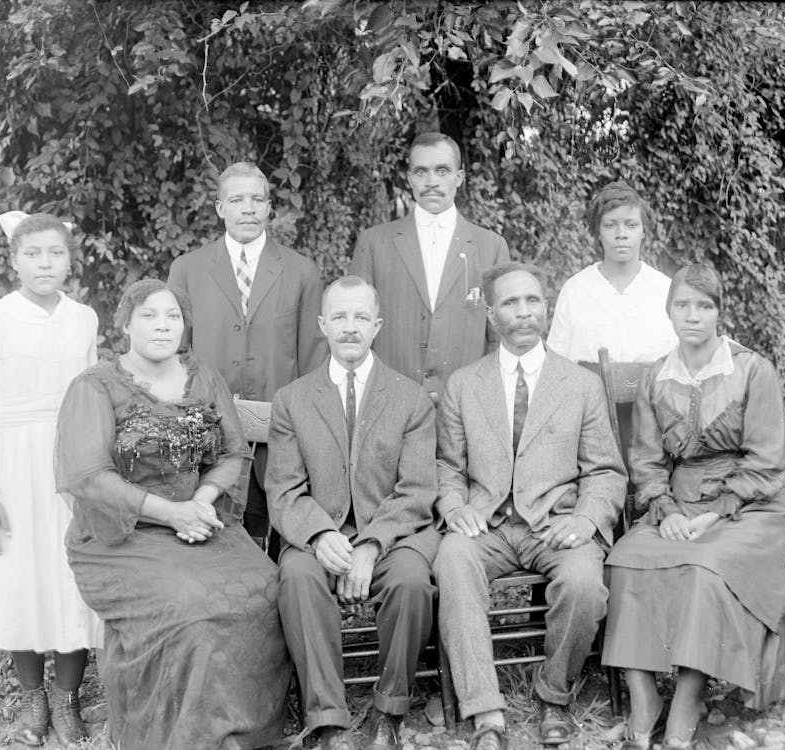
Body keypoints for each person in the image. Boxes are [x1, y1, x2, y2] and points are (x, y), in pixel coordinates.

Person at [54, 279, 289, 750]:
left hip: (198, 521)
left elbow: (234, 452)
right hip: (122, 536)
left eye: (173, 317)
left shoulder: (205, 378)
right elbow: (89, 477)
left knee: (266, 589)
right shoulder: (95, 386)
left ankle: (243, 731)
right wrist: (171, 513)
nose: (163, 326)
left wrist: (201, 500)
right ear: (125, 325)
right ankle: (182, 734)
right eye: (149, 316)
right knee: (189, 605)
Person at [602, 264, 785, 750]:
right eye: (682, 305)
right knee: (625, 558)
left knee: (705, 565)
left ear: (718, 312)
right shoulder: (656, 377)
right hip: (679, 502)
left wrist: (715, 512)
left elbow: (766, 462)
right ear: (669, 312)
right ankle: (644, 697)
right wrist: (667, 510)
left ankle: (688, 699)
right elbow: (647, 461)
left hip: (750, 505)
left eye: (704, 306)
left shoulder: (752, 370)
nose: (692, 315)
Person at [433, 262, 627, 750]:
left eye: (533, 300)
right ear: (491, 316)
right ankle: (485, 709)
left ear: (546, 307)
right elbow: (447, 466)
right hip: (488, 525)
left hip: (556, 523)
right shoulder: (464, 384)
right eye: (511, 303)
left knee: (584, 583)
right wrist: (454, 506)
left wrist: (586, 518)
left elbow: (606, 471)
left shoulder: (580, 384)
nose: (524, 312)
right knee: (452, 560)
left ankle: (553, 694)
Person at [266, 276, 440, 750]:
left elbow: (417, 491)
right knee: (297, 578)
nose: (350, 327)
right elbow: (283, 489)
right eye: (339, 316)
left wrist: (370, 545)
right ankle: (328, 720)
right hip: (317, 536)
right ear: (322, 324)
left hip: (392, 537)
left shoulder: (411, 398)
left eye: (361, 317)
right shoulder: (292, 400)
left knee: (411, 582)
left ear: (377, 325)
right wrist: (321, 536)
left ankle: (389, 710)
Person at [0, 211, 100, 748]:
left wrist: (95, 470)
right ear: (14, 260)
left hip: (70, 464)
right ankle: (32, 697)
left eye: (55, 253)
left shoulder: (83, 319)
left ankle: (67, 698)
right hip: (14, 467)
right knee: (20, 578)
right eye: (33, 254)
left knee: (70, 576)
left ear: (69, 260)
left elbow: (93, 397)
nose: (45, 263)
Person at [167, 161, 327, 545]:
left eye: (258, 199)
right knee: (212, 545)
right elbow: (175, 357)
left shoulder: (301, 272)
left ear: (270, 207)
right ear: (220, 207)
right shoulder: (187, 269)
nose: (248, 209)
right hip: (207, 440)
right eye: (237, 200)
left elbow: (314, 360)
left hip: (279, 442)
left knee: (274, 546)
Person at [350, 132, 510, 402]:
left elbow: (499, 337)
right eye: (421, 171)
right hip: (389, 403)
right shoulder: (374, 243)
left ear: (459, 177)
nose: (431, 181)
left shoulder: (491, 247)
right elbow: (357, 330)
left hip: (466, 405)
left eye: (442, 171)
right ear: (409, 178)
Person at [547, 180, 677, 365]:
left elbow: (683, 361)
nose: (621, 234)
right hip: (585, 384)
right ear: (598, 232)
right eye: (610, 225)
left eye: (631, 225)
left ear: (644, 231)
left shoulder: (665, 289)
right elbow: (556, 363)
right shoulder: (576, 290)